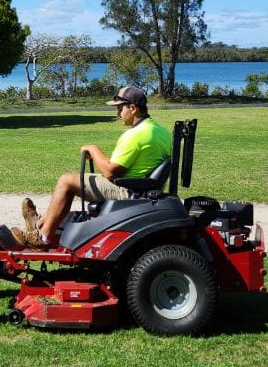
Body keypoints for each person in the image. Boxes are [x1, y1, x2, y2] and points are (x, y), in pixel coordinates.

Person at [12, 85, 172, 249]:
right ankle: (39, 223)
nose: (117, 114)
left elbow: (110, 172)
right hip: (140, 186)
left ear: (133, 108)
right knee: (71, 180)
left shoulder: (136, 135)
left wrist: (93, 149)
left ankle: (42, 237)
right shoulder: (159, 130)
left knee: (66, 181)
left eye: (119, 108)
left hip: (128, 190)